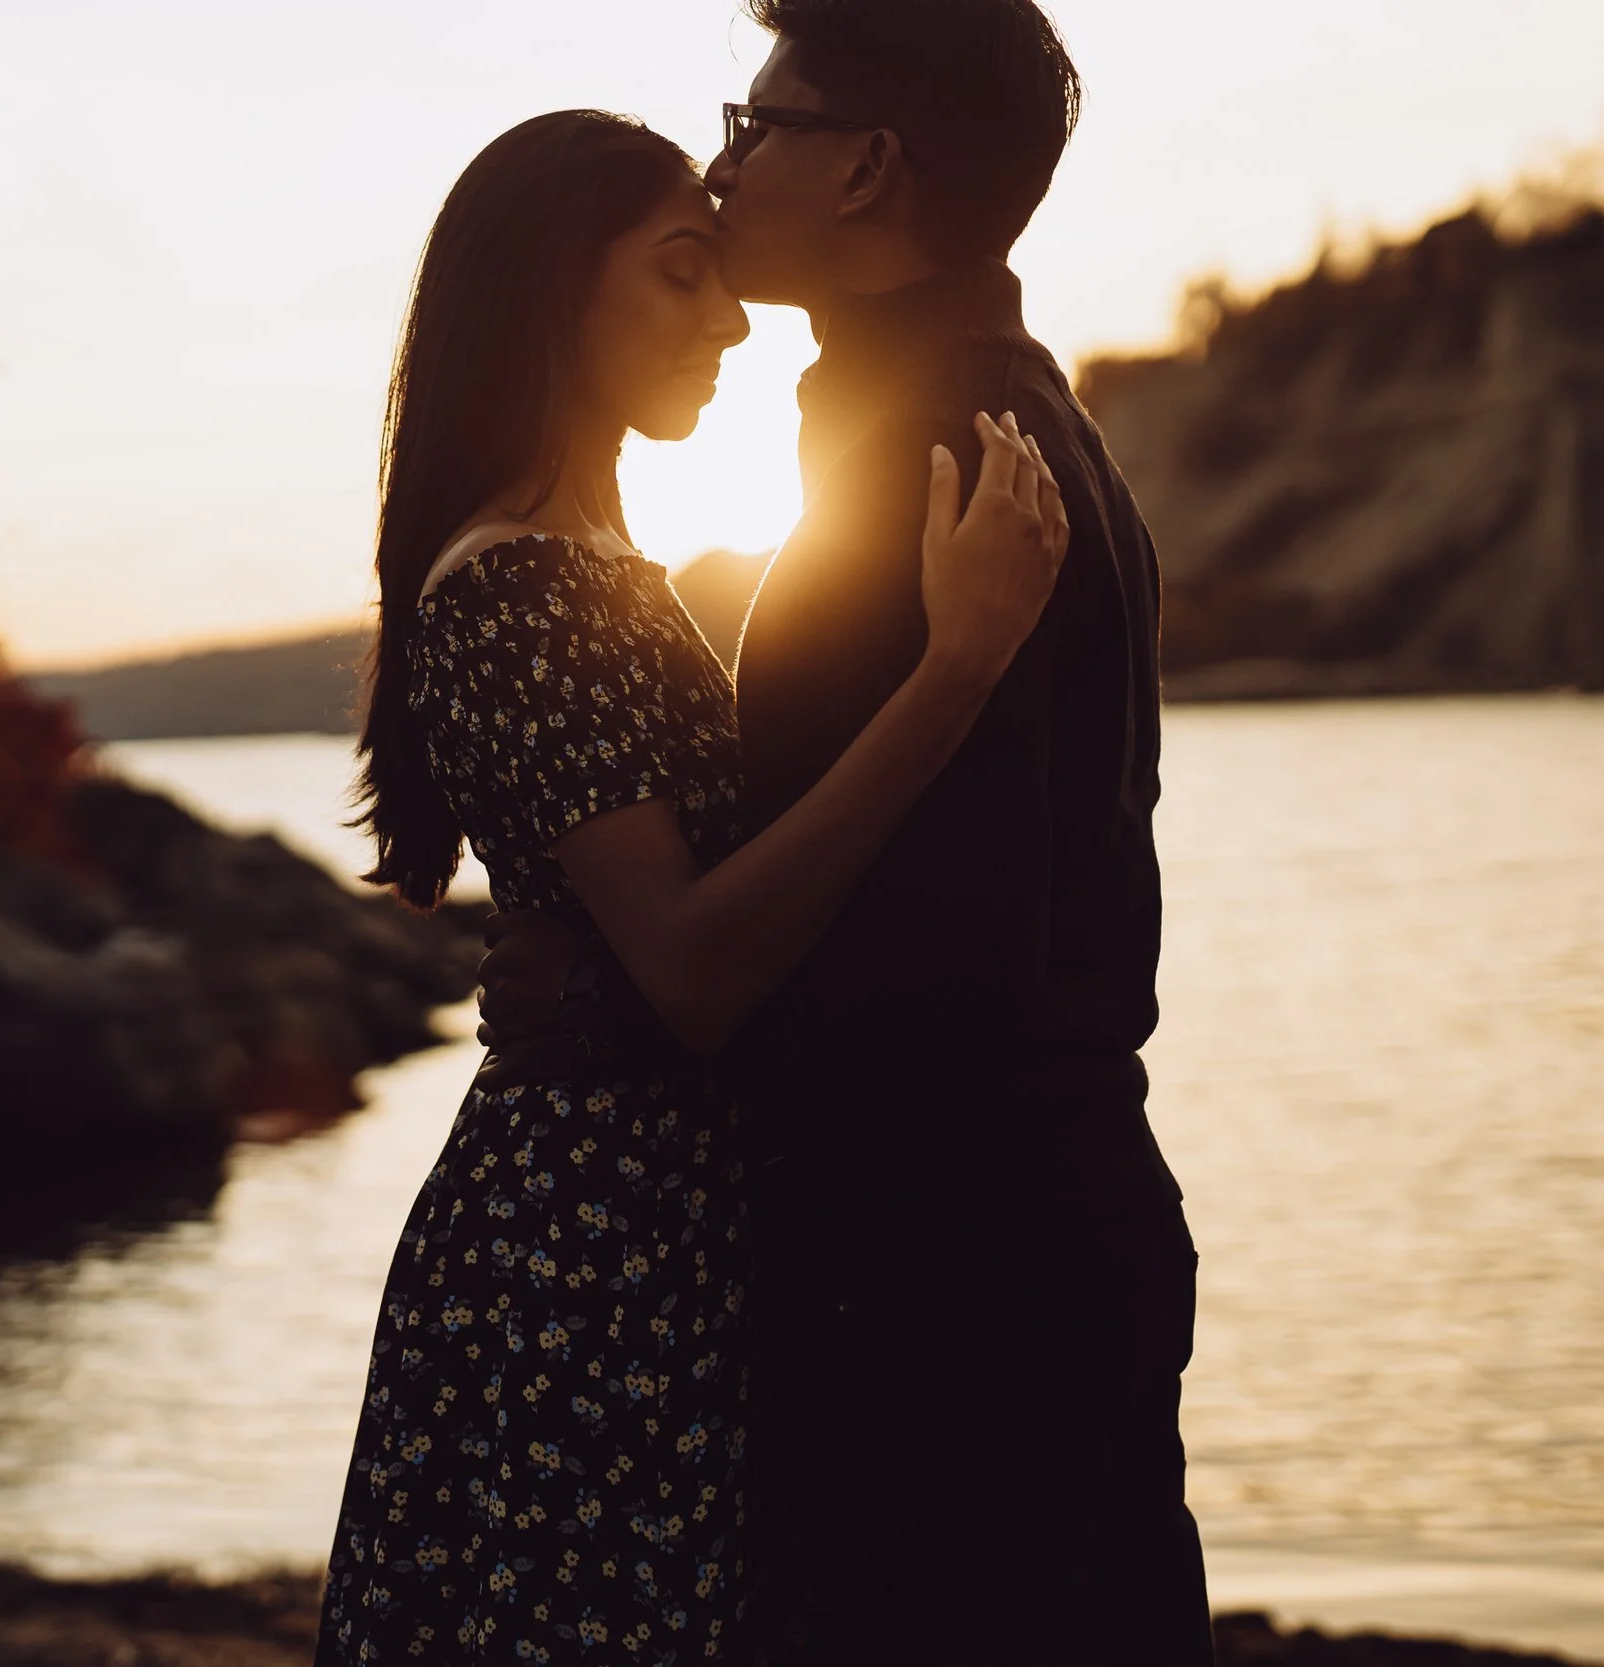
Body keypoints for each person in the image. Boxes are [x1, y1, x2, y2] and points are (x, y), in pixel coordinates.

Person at [478, 3, 1216, 1661]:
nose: (726, 167)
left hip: (945, 1267)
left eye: (757, 124)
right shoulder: (1028, 426)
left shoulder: (927, 465)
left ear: (870, 166)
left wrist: (605, 1005)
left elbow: (928, 955)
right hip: (1049, 1220)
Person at [315, 108, 1068, 1667]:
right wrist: (960, 665)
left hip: (633, 1237)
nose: (727, 319)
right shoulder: (522, 584)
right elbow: (699, 969)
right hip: (584, 1271)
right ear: (549, 297)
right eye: (680, 275)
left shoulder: (588, 567)